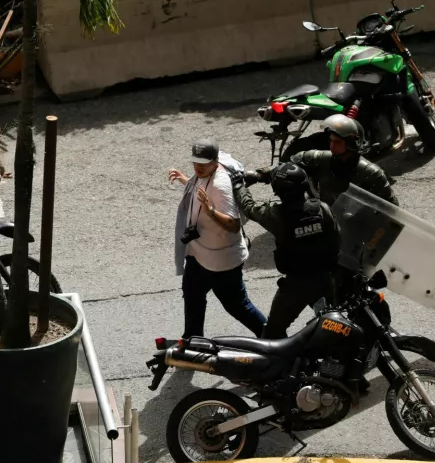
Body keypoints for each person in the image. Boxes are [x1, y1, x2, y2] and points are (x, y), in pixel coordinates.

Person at [169, 138, 267, 340]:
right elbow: (201, 188)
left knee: (238, 306)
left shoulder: (220, 184)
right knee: (193, 294)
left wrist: (210, 211)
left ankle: (273, 337)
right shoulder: (206, 171)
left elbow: (233, 224)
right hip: (199, 252)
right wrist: (186, 180)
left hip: (221, 261)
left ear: (215, 161)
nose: (198, 167)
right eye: (195, 162)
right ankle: (193, 339)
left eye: (203, 164)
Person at [230, 163, 341, 340]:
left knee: (273, 332)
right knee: (335, 326)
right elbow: (336, 240)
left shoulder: (276, 216)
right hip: (325, 281)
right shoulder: (323, 209)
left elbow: (249, 207)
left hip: (296, 286)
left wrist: (238, 186)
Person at [248, 114, 398, 206]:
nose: (331, 146)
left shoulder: (371, 173)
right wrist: (259, 175)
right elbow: (286, 167)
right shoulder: (318, 158)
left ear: (352, 143)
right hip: (327, 224)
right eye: (331, 141)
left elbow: (392, 210)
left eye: (337, 142)